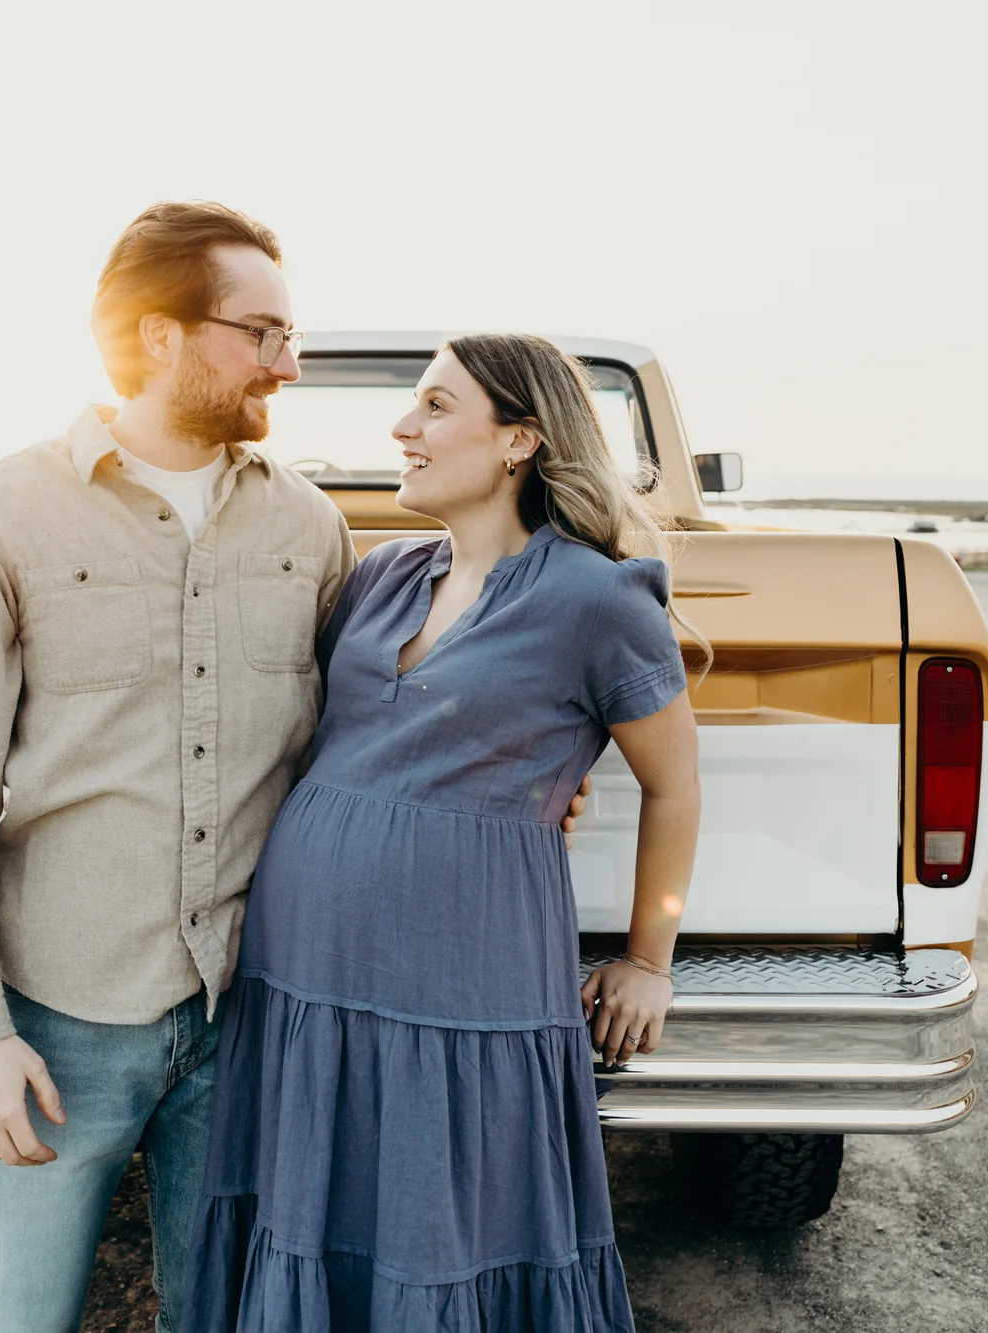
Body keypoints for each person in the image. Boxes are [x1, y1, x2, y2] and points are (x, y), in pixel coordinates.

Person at [0, 204, 597, 1332]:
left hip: (259, 1016)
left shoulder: (310, 528)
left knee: (228, 1313)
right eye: (261, 331)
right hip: (69, 1010)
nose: (290, 361)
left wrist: (525, 775)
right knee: (16, 1315)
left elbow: (368, 730)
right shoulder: (6, 509)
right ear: (158, 334)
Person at [183, 333, 705, 1332]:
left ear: (519, 439)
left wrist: (648, 957)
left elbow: (672, 786)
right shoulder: (383, 576)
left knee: (444, 1232)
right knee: (309, 1217)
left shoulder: (595, 598)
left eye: (432, 406)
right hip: (305, 977)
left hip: (462, 989)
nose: (401, 428)